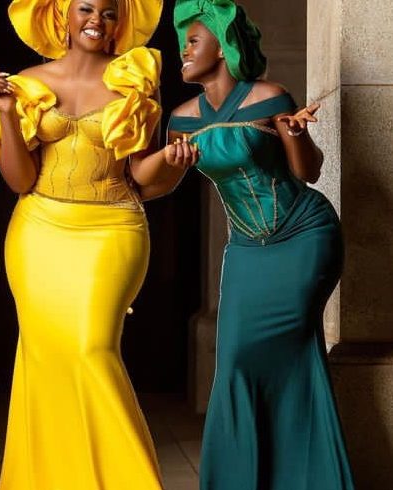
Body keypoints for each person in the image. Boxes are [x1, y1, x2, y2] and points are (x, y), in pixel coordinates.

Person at [0, 0, 195, 488]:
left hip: (112, 228)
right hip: (38, 230)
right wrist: (8, 115)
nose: (97, 20)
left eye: (108, 12)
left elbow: (141, 175)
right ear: (63, 15)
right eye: (85, 8)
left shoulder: (134, 80)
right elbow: (19, 181)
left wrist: (171, 160)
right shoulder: (27, 84)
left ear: (120, 23)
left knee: (92, 348)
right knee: (43, 358)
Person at [169, 0, 355, 488]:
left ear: (222, 47)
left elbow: (307, 171)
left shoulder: (270, 97)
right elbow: (153, 181)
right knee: (235, 360)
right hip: (247, 250)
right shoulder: (182, 119)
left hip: (304, 235)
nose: (183, 50)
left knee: (288, 353)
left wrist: (295, 134)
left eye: (193, 40)